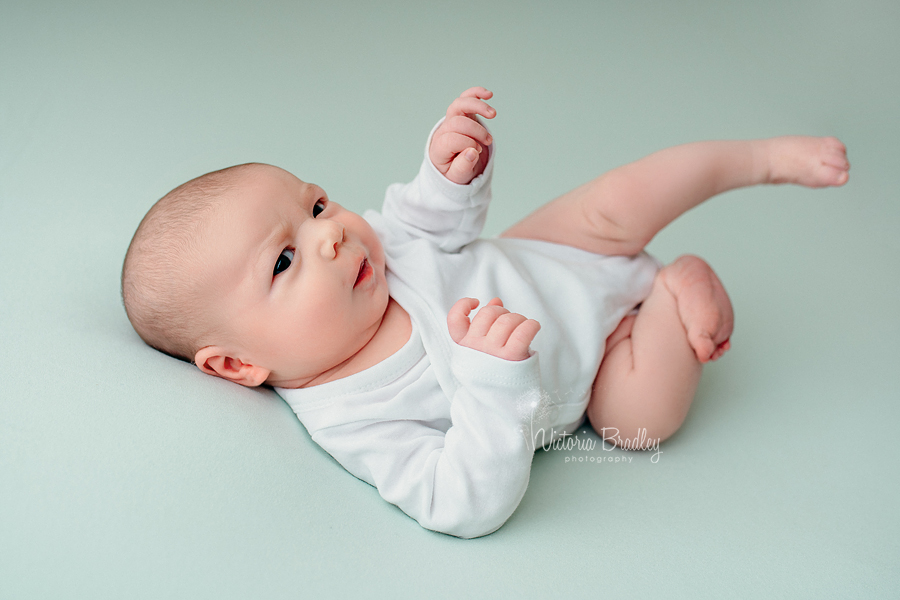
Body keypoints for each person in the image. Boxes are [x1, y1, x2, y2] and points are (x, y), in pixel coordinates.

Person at [121, 87, 850, 538]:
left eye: (315, 205)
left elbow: (431, 221)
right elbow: (461, 502)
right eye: (285, 260)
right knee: (641, 421)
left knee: (617, 198)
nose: (331, 232)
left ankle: (756, 159)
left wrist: (448, 170)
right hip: (595, 371)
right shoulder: (353, 419)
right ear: (239, 364)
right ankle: (670, 296)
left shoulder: (375, 254)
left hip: (549, 250)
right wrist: (492, 384)